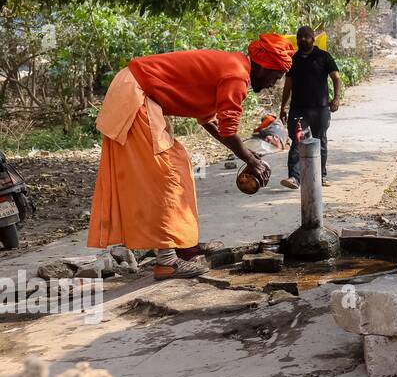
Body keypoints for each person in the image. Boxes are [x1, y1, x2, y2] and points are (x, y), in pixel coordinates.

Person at [88, 33, 295, 279]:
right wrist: (251, 160)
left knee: (178, 167)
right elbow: (228, 131)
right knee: (167, 175)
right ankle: (167, 262)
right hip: (135, 94)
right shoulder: (237, 74)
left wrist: (249, 155)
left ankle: (184, 247)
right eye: (277, 75)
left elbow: (211, 122)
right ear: (265, 65)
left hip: (136, 92)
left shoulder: (234, 67)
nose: (275, 83)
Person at [281, 25, 343, 190]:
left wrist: (336, 98)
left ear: (313, 39)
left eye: (306, 36)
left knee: (320, 141)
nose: (303, 39)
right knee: (297, 141)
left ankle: (320, 176)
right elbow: (288, 85)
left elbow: (336, 78)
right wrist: (283, 108)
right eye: (300, 36)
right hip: (298, 109)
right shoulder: (293, 59)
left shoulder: (323, 57)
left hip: (320, 109)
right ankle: (294, 177)